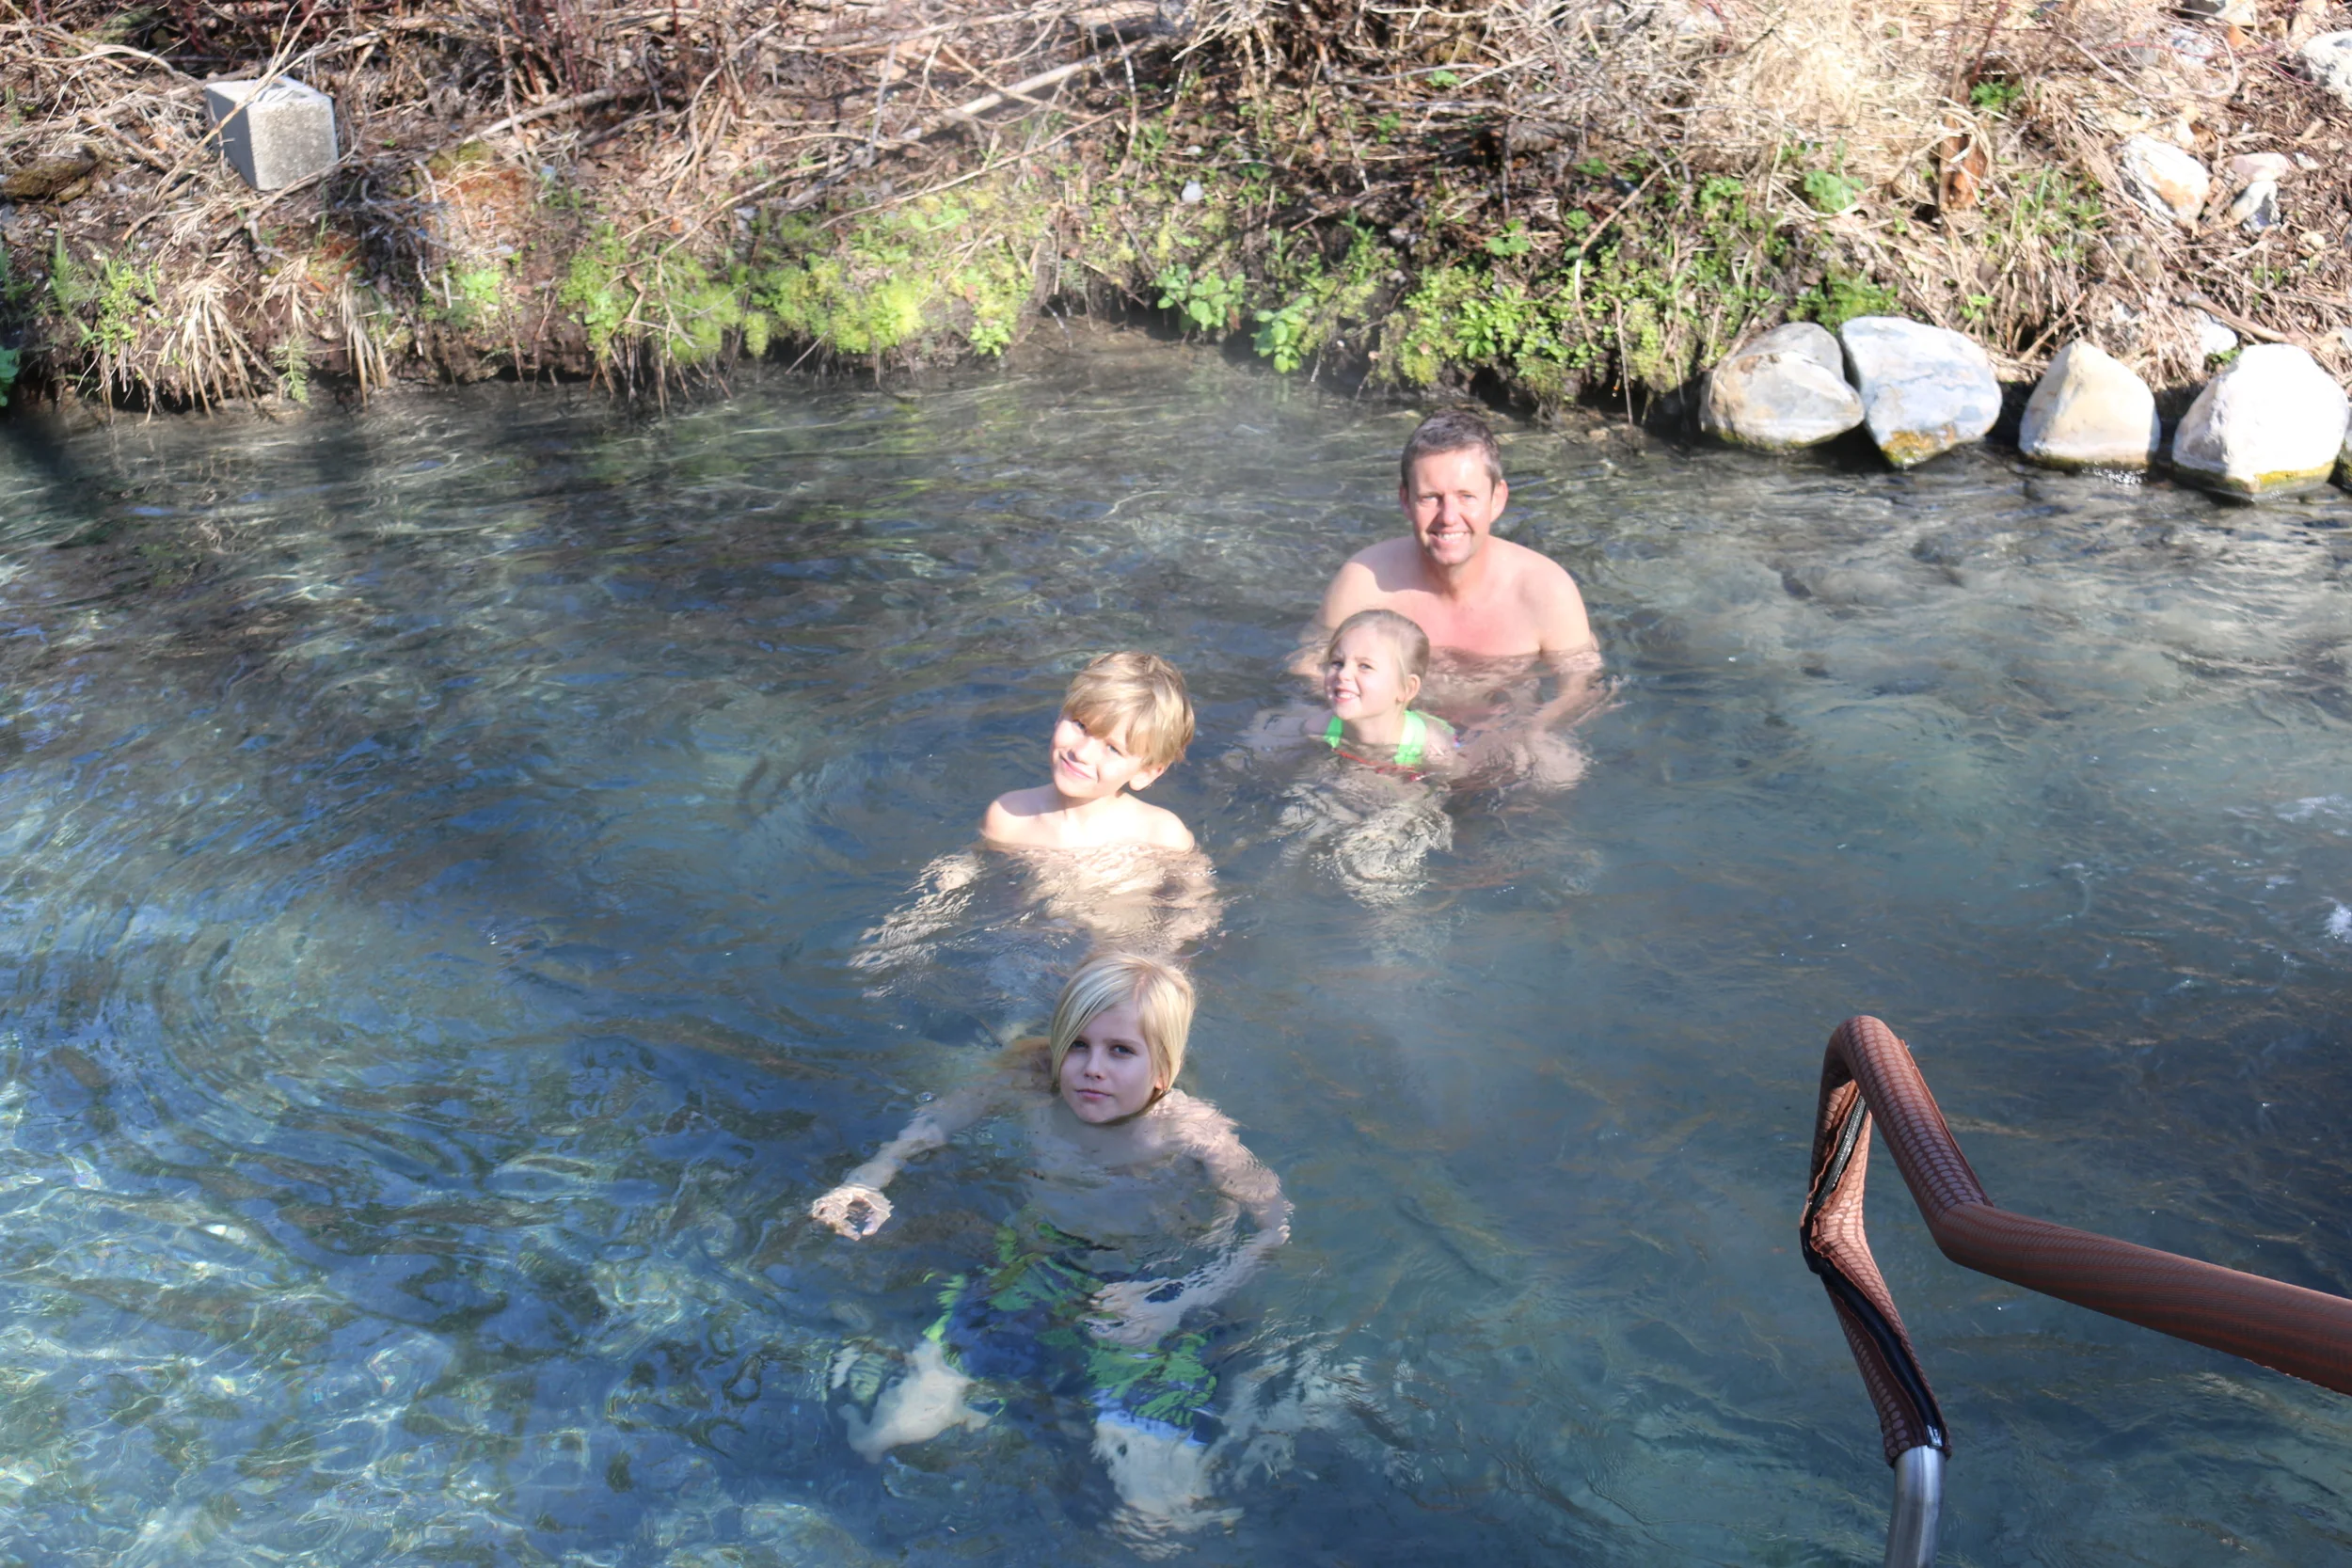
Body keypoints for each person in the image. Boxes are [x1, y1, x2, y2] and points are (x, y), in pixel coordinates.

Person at [810, 953, 1289, 1544]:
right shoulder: (1034, 1081)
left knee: (1155, 1513)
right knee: (883, 1432)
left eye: (1121, 1051)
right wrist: (868, 1179)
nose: (1092, 1069)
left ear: (1164, 1067)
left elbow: (1273, 1228)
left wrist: (1178, 1302)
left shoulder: (1193, 1135)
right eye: (1078, 1045)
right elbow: (933, 1124)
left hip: (1147, 1287)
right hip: (1034, 1262)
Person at [1300, 408, 1603, 741]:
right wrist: (1381, 733)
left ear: (1497, 498)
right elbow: (1307, 668)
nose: (1448, 517)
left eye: (1466, 497)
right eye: (1430, 498)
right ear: (1405, 500)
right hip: (1391, 738)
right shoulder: (1365, 581)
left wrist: (1526, 733)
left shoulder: (1546, 590)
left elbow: (1580, 688)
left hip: (1506, 734)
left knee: (1553, 763)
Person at [982, 651, 1199, 853]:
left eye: (1113, 748)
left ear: (1146, 773)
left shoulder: (1160, 838)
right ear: (1060, 716)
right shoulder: (1008, 817)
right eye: (1080, 725)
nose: (1082, 753)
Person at [1318, 608, 1455, 779]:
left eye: (1365, 666)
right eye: (1337, 663)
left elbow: (1452, 783)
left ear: (1406, 688)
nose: (1343, 674)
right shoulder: (1320, 727)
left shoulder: (1431, 746)